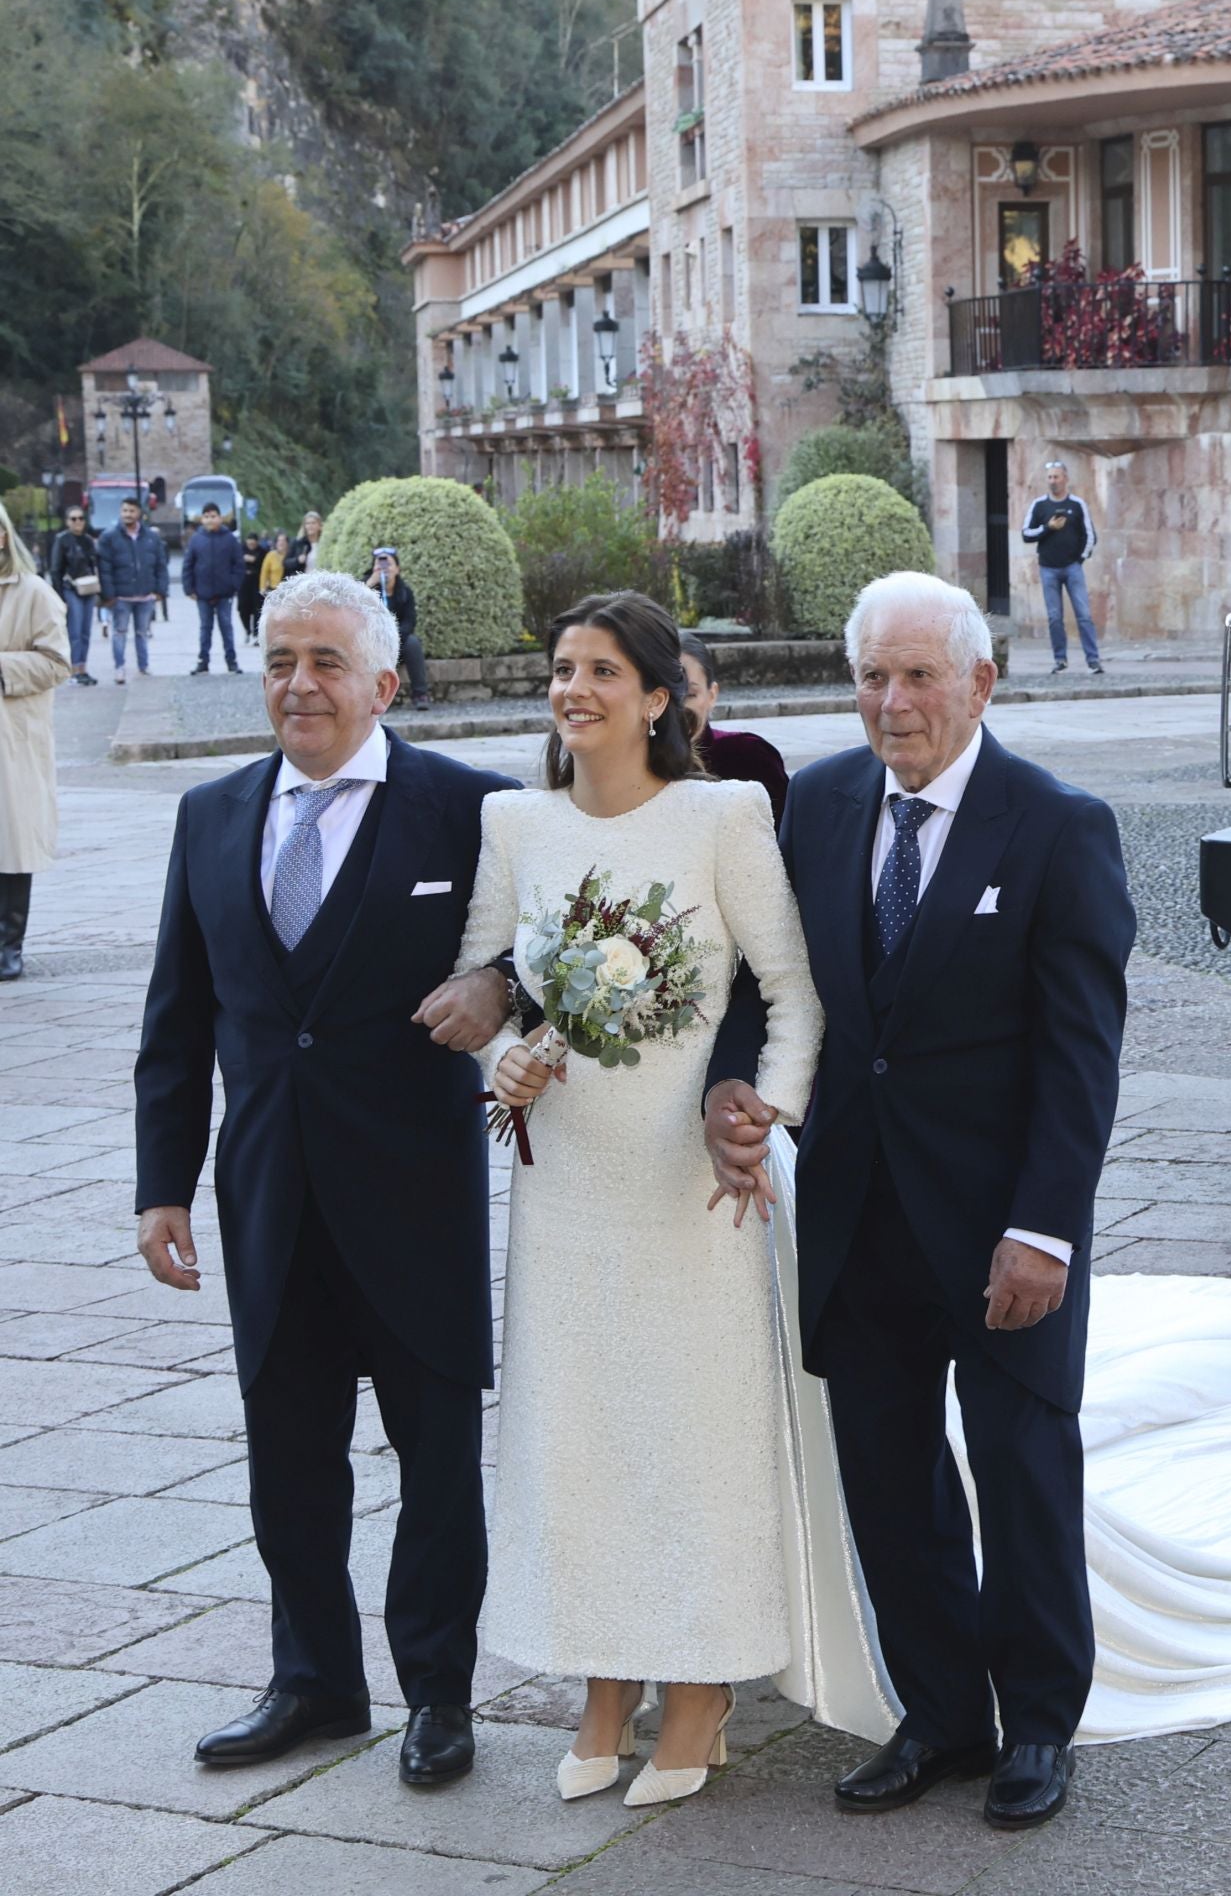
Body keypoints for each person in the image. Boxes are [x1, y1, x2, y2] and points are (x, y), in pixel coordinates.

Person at [705, 571, 1135, 1832]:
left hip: (1003, 1226)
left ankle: (1038, 1726)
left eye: (917, 678)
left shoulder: (1055, 826)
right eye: (872, 678)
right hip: (855, 1215)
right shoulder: (821, 805)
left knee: (1016, 1471)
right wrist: (738, 1081)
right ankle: (941, 1714)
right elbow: (765, 982)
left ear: (978, 685)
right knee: (888, 1483)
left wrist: (1043, 1227)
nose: (891, 705)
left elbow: (1078, 1055)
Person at [134, 570, 521, 1786]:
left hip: (414, 1199)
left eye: (326, 662)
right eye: (281, 659)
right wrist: (163, 1187)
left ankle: (438, 1696)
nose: (299, 683)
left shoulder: (472, 811)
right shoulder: (208, 815)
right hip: (269, 1204)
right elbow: (176, 1019)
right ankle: (310, 1680)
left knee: (437, 1462)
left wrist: (501, 985)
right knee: (287, 1457)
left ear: (384, 684)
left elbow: (552, 944)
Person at [447, 591, 822, 1807]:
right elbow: (483, 985)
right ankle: (603, 1678)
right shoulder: (515, 821)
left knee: (690, 1438)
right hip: (564, 1194)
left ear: (657, 698)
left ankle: (703, 1686)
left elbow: (793, 993)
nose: (575, 691)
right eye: (562, 669)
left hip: (689, 1192)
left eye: (603, 671)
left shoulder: (723, 814)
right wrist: (491, 1059)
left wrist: (763, 1120)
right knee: (582, 1439)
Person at [0, 503, 72, 981]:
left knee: (10, 841)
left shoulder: (33, 593)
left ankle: (8, 943)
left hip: (12, 738)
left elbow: (56, 662)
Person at [680, 631, 788, 829]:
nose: (677, 706)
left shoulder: (747, 754)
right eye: (666, 694)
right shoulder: (627, 761)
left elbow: (785, 837)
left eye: (689, 694)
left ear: (711, 695)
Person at [1022, 461, 1103, 674]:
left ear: (1065, 479)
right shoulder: (1039, 506)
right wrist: (1047, 528)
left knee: (1083, 614)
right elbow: (1026, 534)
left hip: (1072, 567)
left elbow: (1090, 535)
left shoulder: (1077, 504)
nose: (1053, 481)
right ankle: (1060, 659)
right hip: (1048, 568)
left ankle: (1093, 660)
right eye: (1050, 477)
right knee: (1054, 617)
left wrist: (1080, 559)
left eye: (1056, 477)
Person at [97, 496, 167, 685]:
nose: (127, 514)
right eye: (124, 511)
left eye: (131, 511)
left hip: (145, 594)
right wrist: (108, 594)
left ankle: (143, 666)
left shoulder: (151, 537)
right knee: (119, 632)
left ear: (139, 513)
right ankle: (119, 667)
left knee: (142, 632)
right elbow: (105, 568)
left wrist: (160, 590)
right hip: (121, 595)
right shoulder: (109, 537)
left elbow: (160, 564)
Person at [183, 502, 245, 675]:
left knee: (226, 626)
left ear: (220, 517)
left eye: (213, 516)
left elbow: (238, 565)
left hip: (224, 593)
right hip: (202, 593)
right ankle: (203, 660)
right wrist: (189, 589)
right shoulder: (196, 539)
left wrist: (234, 585)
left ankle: (231, 661)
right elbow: (188, 564)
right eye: (206, 516)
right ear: (202, 519)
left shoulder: (229, 539)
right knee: (205, 628)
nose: (210, 520)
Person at [366, 546, 429, 711]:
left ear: (397, 569)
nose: (384, 569)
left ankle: (420, 694)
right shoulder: (366, 589)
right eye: (379, 566)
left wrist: (393, 637)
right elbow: (355, 611)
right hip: (373, 642)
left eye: (389, 565)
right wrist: (371, 584)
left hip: (398, 640)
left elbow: (410, 621)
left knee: (413, 643)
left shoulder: (405, 592)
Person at [49, 506, 99, 685]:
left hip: (89, 589)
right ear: (67, 521)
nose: (77, 522)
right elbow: (55, 570)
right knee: (75, 631)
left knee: (86, 631)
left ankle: (82, 668)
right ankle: (73, 670)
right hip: (71, 589)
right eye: (73, 519)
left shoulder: (88, 540)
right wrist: (60, 598)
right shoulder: (62, 540)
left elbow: (94, 564)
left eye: (80, 518)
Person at [238, 532, 264, 645]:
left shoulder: (262, 551)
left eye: (254, 540)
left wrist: (253, 560)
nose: (251, 542)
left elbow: (262, 563)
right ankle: (247, 630)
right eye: (249, 539)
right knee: (242, 608)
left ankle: (255, 633)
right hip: (242, 583)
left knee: (257, 608)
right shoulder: (239, 550)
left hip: (257, 583)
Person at [285, 509, 324, 577]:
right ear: (304, 526)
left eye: (313, 523)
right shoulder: (297, 542)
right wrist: (297, 560)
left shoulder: (324, 544)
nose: (310, 526)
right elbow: (285, 563)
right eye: (307, 523)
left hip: (321, 582)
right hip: (302, 583)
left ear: (319, 526)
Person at [260, 530, 288, 597]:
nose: (281, 543)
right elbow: (264, 572)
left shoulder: (291, 555)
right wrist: (262, 587)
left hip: (288, 591)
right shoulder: (271, 555)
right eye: (279, 540)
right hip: (273, 590)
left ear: (287, 543)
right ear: (276, 543)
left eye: (283, 540)